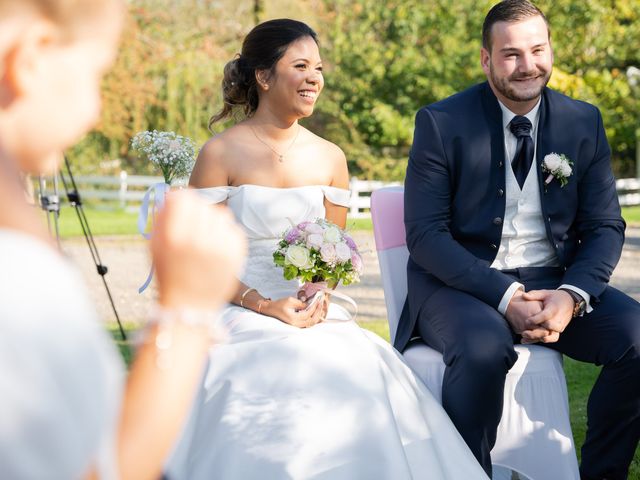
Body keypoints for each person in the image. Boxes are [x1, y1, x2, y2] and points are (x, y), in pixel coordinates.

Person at [164, 18, 488, 480]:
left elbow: (334, 254)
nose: (315, 77)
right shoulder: (219, 154)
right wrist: (262, 304)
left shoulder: (330, 157)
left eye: (318, 67)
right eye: (301, 66)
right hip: (238, 303)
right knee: (257, 368)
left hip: (308, 308)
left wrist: (321, 290)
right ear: (263, 76)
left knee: (356, 366)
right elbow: (200, 259)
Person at [0, 1, 247, 480]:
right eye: (97, 73)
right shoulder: (16, 274)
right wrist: (187, 309)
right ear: (33, 58)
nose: (95, 111)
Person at [401, 0, 640, 478]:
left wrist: (572, 296)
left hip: (554, 281)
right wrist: (505, 296)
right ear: (486, 59)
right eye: (511, 54)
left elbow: (605, 226)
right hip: (460, 285)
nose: (528, 65)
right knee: (484, 349)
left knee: (638, 339)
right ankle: (468, 471)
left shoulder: (582, 121)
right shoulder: (442, 122)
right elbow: (425, 235)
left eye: (537, 49)